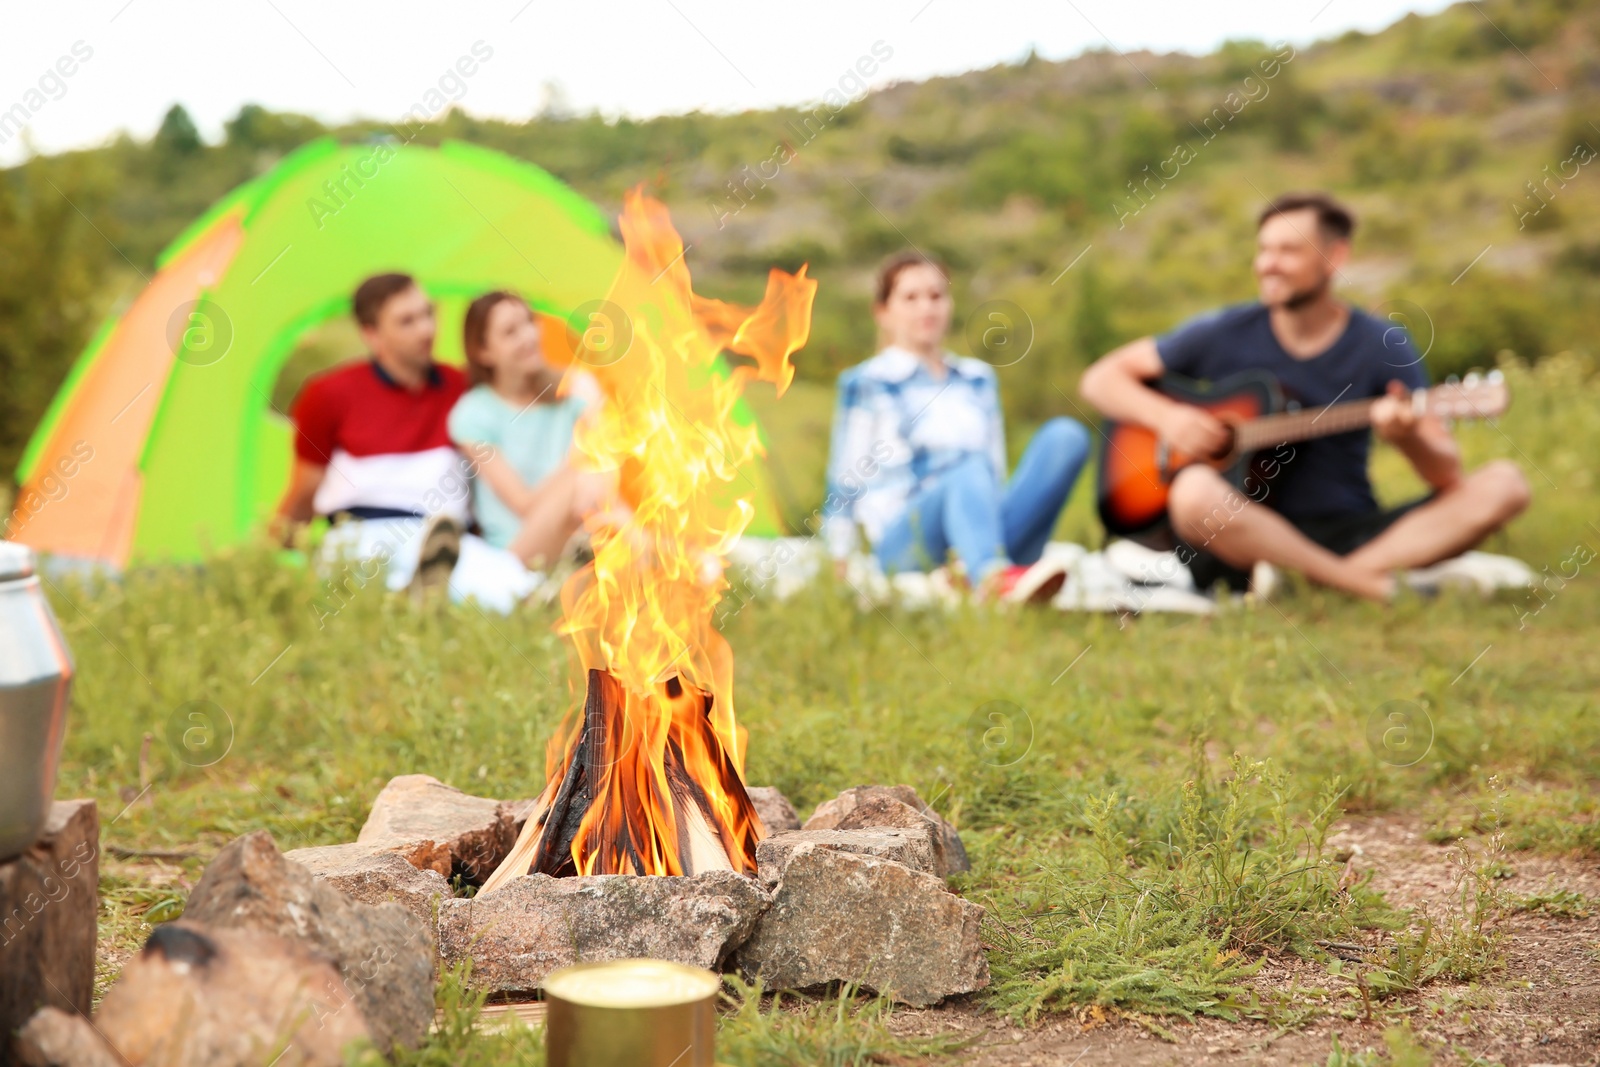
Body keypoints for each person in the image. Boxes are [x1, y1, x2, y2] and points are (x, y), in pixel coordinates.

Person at [1079, 191, 1530, 602]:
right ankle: (1369, 587)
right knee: (1192, 491)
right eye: (1264, 250)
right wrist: (1170, 421)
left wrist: (1407, 436)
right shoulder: (1223, 332)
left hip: (1350, 527)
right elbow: (1101, 379)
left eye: (1288, 250)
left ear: (1335, 257)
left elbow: (1446, 475)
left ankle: (1316, 582)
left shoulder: (1382, 344)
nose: (1268, 263)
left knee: (1504, 484)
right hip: (1241, 534)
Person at [822, 252, 1092, 603]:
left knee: (1065, 437)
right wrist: (837, 557)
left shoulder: (977, 379)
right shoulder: (868, 382)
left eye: (936, 296)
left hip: (980, 526)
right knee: (968, 466)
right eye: (911, 298)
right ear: (883, 313)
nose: (926, 308)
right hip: (909, 540)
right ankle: (993, 578)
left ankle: (984, 565)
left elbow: (994, 473)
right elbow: (844, 481)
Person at [275, 272, 538, 610]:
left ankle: (423, 591)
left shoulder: (464, 390)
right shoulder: (327, 396)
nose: (426, 329)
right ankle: (415, 595)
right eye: (407, 321)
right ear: (372, 334)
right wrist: (273, 560)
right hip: (360, 534)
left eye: (428, 314)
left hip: (444, 536)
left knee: (513, 591)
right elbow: (303, 495)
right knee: (358, 583)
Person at [447, 291, 621, 569]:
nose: (528, 336)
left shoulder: (575, 388)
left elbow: (607, 480)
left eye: (529, 321)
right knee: (588, 468)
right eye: (510, 332)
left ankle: (652, 558)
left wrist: (594, 409)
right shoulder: (473, 413)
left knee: (601, 474)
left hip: (582, 523)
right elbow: (524, 505)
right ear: (483, 352)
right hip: (519, 552)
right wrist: (579, 456)